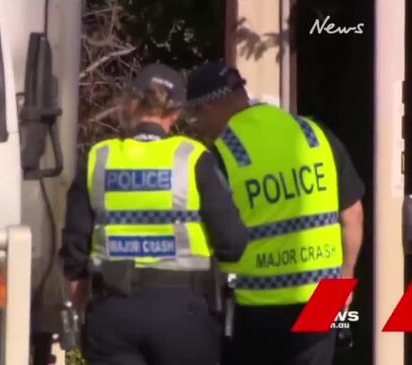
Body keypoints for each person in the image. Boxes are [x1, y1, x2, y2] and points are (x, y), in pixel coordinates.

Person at [60, 63, 248, 365]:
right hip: (183, 316)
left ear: (130, 104)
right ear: (175, 113)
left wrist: (80, 310)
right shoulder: (192, 157)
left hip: (113, 312)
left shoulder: (99, 159)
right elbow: (233, 243)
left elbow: (74, 256)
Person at [185, 62, 365, 365]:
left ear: (209, 106)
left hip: (260, 304)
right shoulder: (312, 133)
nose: (198, 126)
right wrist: (343, 284)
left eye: (196, 116)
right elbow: (352, 215)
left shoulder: (221, 155)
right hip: (324, 296)